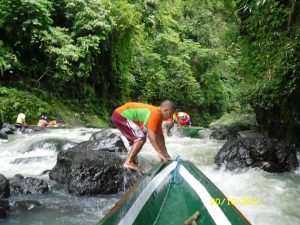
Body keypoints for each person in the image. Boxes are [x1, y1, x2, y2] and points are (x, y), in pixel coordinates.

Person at [111, 100, 176, 172]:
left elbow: (160, 136)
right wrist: (160, 153)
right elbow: (151, 136)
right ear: (165, 110)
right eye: (170, 114)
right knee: (140, 138)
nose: (170, 116)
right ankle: (128, 162)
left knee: (139, 137)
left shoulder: (158, 117)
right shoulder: (155, 113)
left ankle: (132, 160)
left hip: (120, 115)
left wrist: (165, 154)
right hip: (121, 115)